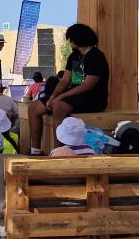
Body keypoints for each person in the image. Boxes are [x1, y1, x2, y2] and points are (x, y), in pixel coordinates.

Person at [28, 24, 109, 156]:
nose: (69, 42)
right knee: (33, 107)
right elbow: (65, 80)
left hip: (93, 98)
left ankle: (58, 152)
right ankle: (35, 150)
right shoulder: (74, 56)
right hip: (74, 96)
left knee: (58, 107)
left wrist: (60, 98)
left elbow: (88, 85)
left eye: (70, 39)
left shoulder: (96, 56)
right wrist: (53, 96)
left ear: (78, 39)